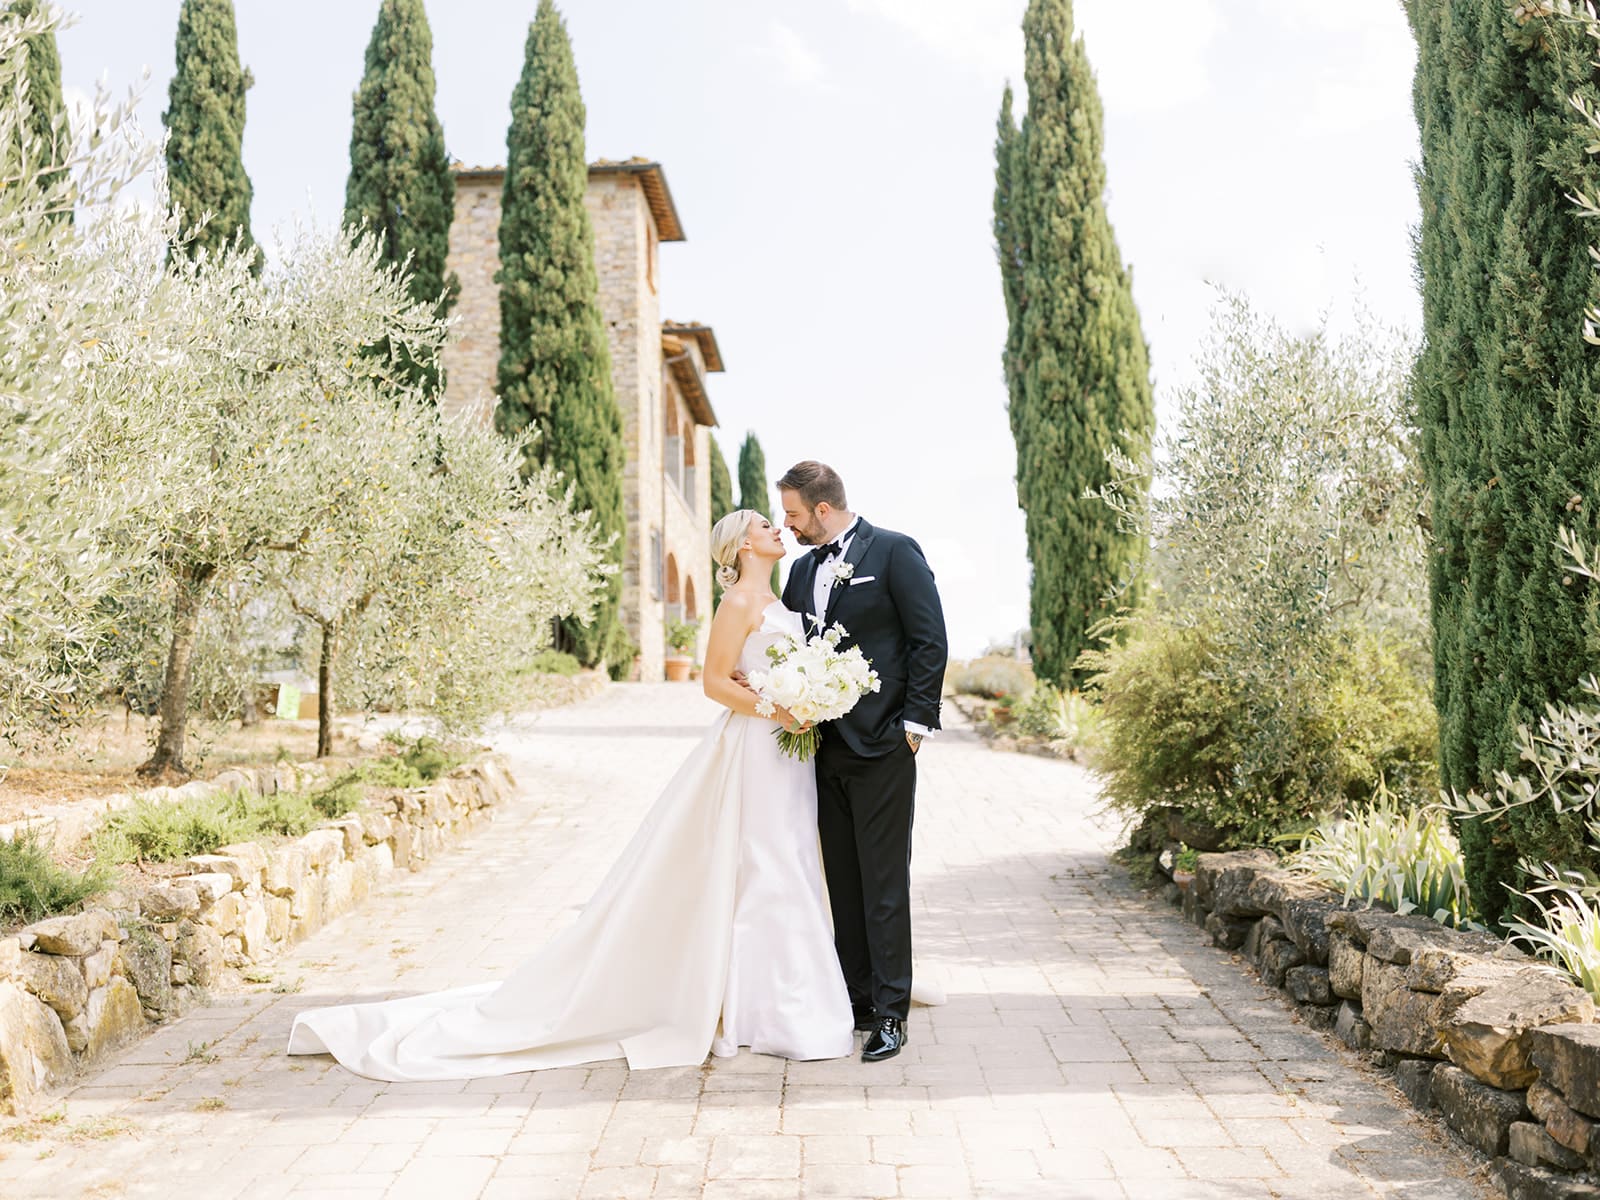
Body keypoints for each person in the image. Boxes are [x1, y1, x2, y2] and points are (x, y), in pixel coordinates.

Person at [286, 510, 853, 1080]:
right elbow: (712, 682)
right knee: (765, 865)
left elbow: (760, 675)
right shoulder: (737, 605)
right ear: (740, 547)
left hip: (786, 753)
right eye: (762, 525)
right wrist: (777, 707)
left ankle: (771, 1001)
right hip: (754, 749)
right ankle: (767, 1013)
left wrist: (805, 700)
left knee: (790, 863)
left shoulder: (781, 601)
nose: (777, 528)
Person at [777, 461, 948, 1063]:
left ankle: (892, 1014)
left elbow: (929, 639)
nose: (789, 526)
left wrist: (915, 724)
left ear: (822, 510)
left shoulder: (896, 553)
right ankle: (856, 1001)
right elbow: (790, 647)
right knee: (842, 883)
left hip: (883, 746)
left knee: (883, 883)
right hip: (820, 750)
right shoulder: (800, 571)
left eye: (794, 515)